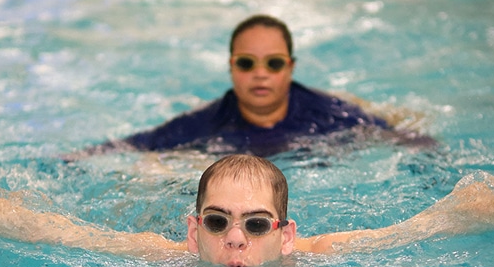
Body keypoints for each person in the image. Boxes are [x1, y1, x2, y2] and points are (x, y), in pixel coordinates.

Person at [0, 146, 494, 267]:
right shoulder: (158, 257)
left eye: (255, 226)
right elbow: (14, 220)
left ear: (286, 234)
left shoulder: (322, 259)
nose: (234, 241)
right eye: (218, 222)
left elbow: (463, 214)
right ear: (191, 228)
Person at [63, 15, 435, 159]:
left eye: (273, 63)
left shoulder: (330, 114)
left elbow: (403, 138)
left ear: (290, 68)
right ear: (231, 68)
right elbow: (136, 145)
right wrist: (76, 159)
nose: (260, 74)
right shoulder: (206, 124)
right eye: (246, 63)